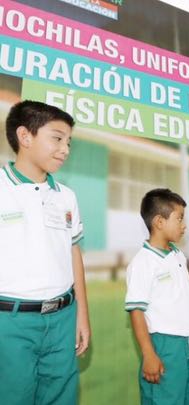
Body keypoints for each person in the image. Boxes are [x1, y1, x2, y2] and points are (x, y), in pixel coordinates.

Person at [0, 100, 90, 405]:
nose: (65, 149)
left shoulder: (67, 196)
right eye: (57, 138)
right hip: (10, 323)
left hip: (63, 318)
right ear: (25, 136)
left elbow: (73, 253)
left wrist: (82, 315)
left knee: (62, 397)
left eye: (68, 142)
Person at [125, 188, 189, 404]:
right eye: (179, 218)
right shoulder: (142, 263)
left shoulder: (177, 253)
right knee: (167, 399)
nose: (184, 225)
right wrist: (149, 354)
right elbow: (136, 311)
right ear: (159, 222)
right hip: (166, 346)